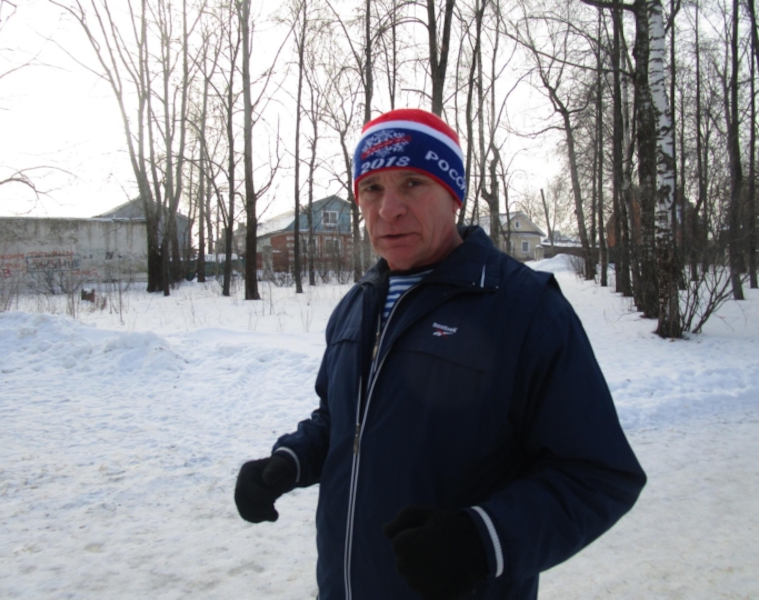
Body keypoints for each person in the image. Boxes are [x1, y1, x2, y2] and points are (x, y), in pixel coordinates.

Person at [235, 108, 646, 600]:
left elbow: (598, 473)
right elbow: (343, 421)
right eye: (372, 189)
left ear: (454, 194)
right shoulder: (356, 305)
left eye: (412, 183)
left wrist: (483, 540)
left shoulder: (525, 308)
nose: (389, 209)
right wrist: (289, 462)